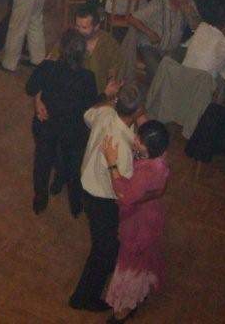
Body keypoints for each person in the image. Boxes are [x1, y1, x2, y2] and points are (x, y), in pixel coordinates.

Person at [71, 84, 146, 313]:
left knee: (104, 247)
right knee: (105, 250)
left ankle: (86, 293)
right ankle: (84, 298)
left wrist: (106, 96)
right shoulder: (122, 147)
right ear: (137, 111)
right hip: (102, 199)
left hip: (88, 184)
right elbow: (123, 189)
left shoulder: (105, 113)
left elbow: (88, 115)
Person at [101, 121, 171, 323]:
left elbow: (124, 195)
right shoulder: (160, 158)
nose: (135, 140)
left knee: (131, 266)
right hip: (150, 214)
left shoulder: (147, 171)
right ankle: (139, 293)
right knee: (142, 259)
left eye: (139, 140)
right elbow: (159, 189)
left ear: (149, 148)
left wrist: (112, 162)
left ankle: (123, 309)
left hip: (139, 223)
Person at [26, 30, 98, 216]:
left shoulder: (48, 67)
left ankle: (40, 199)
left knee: (43, 164)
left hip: (47, 126)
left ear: (61, 50)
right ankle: (75, 205)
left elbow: (30, 88)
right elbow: (90, 104)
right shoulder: (87, 77)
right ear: (83, 54)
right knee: (74, 168)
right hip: (73, 132)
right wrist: (106, 94)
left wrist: (38, 97)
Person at [127, 0, 200, 80]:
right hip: (151, 46)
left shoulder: (189, 3)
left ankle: (149, 74)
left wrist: (190, 14)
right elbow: (132, 18)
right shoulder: (157, 5)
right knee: (158, 73)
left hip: (172, 49)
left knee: (188, 68)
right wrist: (149, 32)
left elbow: (197, 28)